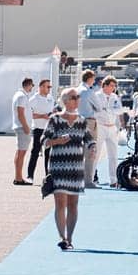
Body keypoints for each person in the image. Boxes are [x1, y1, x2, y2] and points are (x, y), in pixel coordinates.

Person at [43, 87, 95, 251]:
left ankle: (70, 238)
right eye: (74, 97)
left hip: (76, 167)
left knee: (73, 203)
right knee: (60, 202)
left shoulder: (81, 120)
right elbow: (44, 141)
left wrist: (92, 148)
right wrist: (57, 141)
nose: (77, 99)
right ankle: (62, 238)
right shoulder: (55, 119)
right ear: (66, 101)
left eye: (78, 97)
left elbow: (89, 139)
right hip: (58, 166)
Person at [96, 77, 124, 187]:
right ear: (105, 85)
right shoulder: (97, 96)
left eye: (114, 86)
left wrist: (109, 110)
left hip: (112, 127)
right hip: (100, 126)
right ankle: (91, 177)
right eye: (112, 86)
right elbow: (96, 111)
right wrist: (107, 111)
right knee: (96, 153)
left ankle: (113, 179)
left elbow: (119, 110)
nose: (113, 88)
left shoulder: (114, 97)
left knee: (113, 154)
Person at [77, 69, 102, 187]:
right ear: (90, 79)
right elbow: (99, 107)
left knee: (77, 152)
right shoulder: (89, 92)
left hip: (76, 122)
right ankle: (88, 180)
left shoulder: (76, 90)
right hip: (89, 122)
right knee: (91, 151)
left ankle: (76, 178)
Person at [26, 78, 54, 181]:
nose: (49, 88)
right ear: (41, 87)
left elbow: (52, 110)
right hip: (38, 129)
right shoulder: (34, 99)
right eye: (47, 86)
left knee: (48, 154)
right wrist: (42, 116)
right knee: (35, 152)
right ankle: (30, 176)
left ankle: (48, 177)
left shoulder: (51, 98)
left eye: (50, 87)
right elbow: (29, 114)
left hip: (49, 130)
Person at [12, 77, 35, 186]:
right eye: (32, 85)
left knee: (20, 152)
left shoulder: (20, 95)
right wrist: (26, 126)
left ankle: (18, 176)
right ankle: (18, 177)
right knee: (21, 153)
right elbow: (20, 113)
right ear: (28, 84)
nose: (32, 88)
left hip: (21, 126)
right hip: (22, 127)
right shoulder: (21, 96)